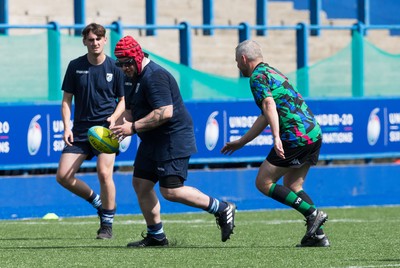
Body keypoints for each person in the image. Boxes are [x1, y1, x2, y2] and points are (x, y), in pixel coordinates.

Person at [110, 35, 236, 247]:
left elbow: (165, 112)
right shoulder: (128, 77)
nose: (124, 68)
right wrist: (114, 127)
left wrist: (131, 128)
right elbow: (131, 111)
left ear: (138, 57)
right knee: (141, 184)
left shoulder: (155, 76)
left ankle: (222, 208)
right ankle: (156, 236)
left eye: (127, 63)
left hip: (172, 138)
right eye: (120, 64)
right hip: (151, 139)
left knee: (171, 191)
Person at [221, 40, 329, 247]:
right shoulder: (272, 72)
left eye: (237, 62)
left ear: (244, 59)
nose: (237, 66)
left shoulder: (257, 77)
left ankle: (313, 213)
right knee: (293, 186)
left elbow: (269, 104)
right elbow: (265, 115)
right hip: (313, 133)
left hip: (295, 136)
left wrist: (276, 137)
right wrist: (241, 142)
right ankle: (318, 236)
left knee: (263, 182)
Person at [56, 23, 125, 239]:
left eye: (98, 39)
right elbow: (67, 100)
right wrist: (67, 127)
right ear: (84, 41)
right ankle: (97, 201)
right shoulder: (75, 66)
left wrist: (114, 117)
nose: (95, 43)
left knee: (104, 174)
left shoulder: (116, 68)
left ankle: (107, 224)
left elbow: (123, 100)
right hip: (81, 131)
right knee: (63, 176)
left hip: (106, 131)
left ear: (105, 41)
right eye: (91, 39)